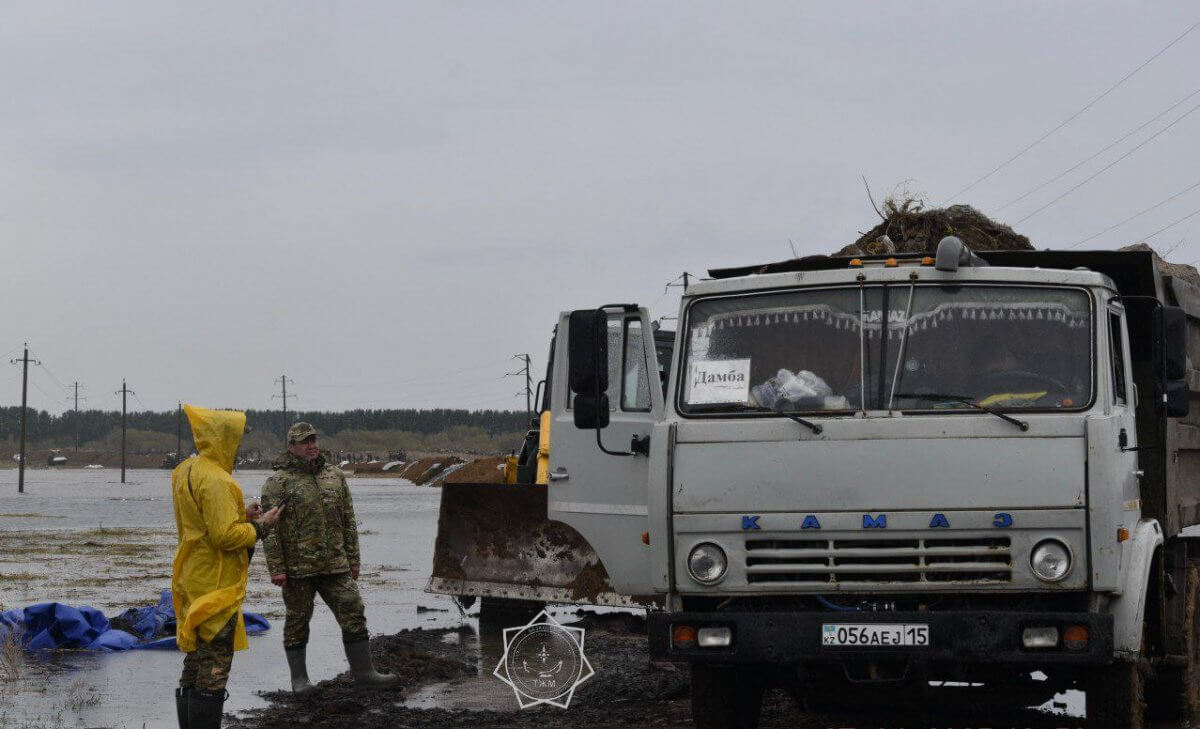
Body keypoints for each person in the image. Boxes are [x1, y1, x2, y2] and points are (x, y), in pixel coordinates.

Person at [261, 422, 397, 692]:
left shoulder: (335, 476)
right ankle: (299, 680)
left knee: (353, 609)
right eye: (304, 441)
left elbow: (348, 519)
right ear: (291, 447)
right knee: (298, 621)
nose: (311, 445)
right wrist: (276, 568)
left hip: (336, 564)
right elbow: (270, 529)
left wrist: (354, 559)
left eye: (313, 440)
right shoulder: (277, 482)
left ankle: (364, 673)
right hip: (298, 569)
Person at [172, 405, 282, 729]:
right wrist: (261, 525)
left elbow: (202, 523)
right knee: (214, 667)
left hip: (191, 577)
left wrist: (241, 516)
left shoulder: (185, 470)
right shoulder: (219, 480)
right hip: (216, 584)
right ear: (224, 438)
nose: (239, 445)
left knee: (195, 660)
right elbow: (224, 537)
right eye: (237, 438)